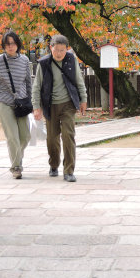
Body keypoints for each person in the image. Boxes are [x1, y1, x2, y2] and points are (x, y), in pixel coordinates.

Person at [32, 35, 87, 182]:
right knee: (52, 138)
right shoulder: (43, 64)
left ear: (67, 49)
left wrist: (83, 99)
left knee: (68, 135)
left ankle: (69, 170)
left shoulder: (71, 60)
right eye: (56, 50)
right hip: (50, 105)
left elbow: (78, 80)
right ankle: (54, 164)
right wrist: (36, 107)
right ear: (51, 48)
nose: (59, 53)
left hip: (68, 103)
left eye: (62, 50)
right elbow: (36, 86)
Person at [0, 31, 32, 179]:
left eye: (13, 43)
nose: (10, 47)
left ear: (18, 44)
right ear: (3, 46)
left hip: (22, 103)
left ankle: (17, 159)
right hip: (3, 102)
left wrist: (32, 102)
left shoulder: (24, 60)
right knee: (13, 137)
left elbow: (28, 82)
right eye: (7, 44)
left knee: (25, 137)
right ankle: (16, 167)